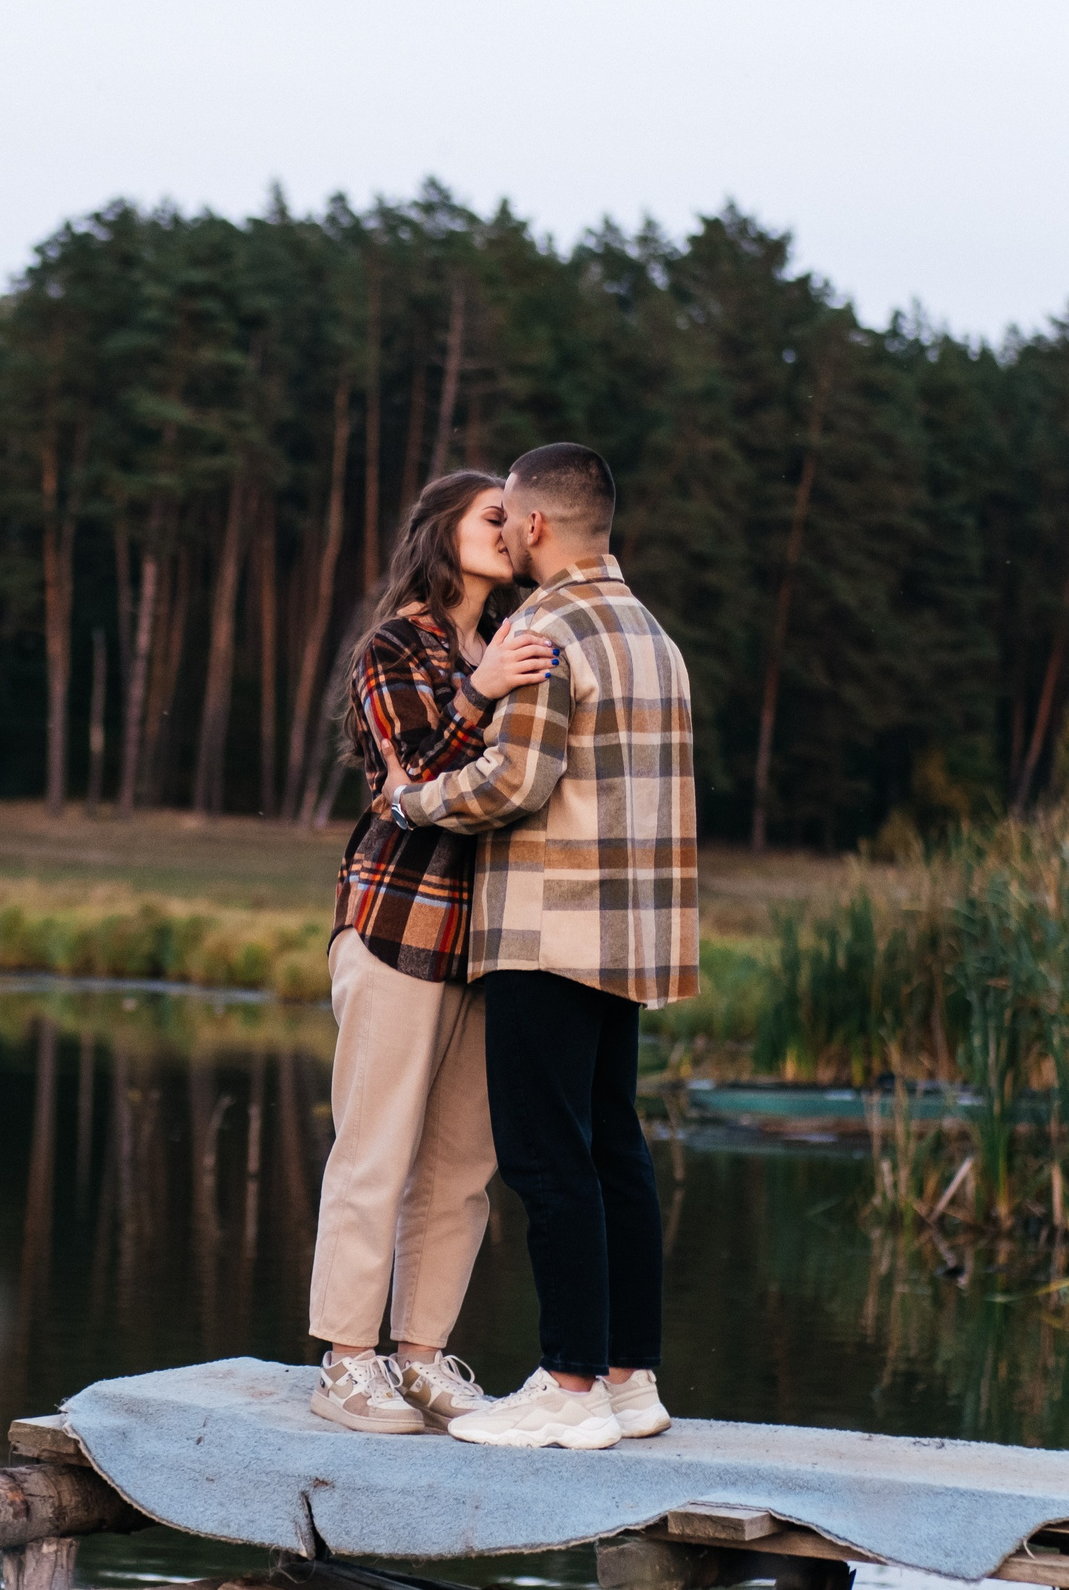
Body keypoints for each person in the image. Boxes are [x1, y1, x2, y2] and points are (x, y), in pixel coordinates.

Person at [379, 442, 698, 1452]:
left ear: (542, 526)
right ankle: (626, 1376)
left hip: (547, 928)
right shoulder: (652, 634)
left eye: (512, 516)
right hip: (633, 934)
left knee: (546, 1156)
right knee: (613, 1149)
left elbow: (513, 782)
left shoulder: (545, 623)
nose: (507, 529)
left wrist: (411, 797)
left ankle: (564, 1387)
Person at [307, 469, 558, 1435]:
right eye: (492, 515)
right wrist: (481, 693)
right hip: (397, 926)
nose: (510, 530)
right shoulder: (394, 645)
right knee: (375, 1151)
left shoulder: (507, 642)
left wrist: (494, 674)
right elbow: (420, 779)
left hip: (489, 942)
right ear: (441, 526)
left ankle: (419, 1359)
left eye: (516, 520)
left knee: (462, 1165)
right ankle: (346, 1361)